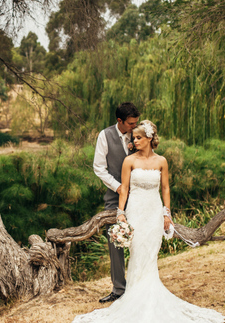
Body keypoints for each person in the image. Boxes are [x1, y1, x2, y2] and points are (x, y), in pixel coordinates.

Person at [74, 120, 225, 323]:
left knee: (150, 255)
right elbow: (124, 189)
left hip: (154, 211)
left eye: (138, 138)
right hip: (135, 210)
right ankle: (134, 298)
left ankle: (150, 297)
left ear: (149, 139)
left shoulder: (161, 161)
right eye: (133, 138)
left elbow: (165, 189)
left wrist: (166, 214)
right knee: (137, 253)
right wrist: (120, 213)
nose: (134, 141)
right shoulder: (129, 161)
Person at [92, 102, 140, 303]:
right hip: (114, 197)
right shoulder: (105, 136)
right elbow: (99, 168)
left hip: (139, 195)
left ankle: (140, 285)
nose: (134, 127)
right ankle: (119, 288)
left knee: (141, 240)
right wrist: (118, 187)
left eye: (136, 122)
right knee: (116, 241)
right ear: (120, 121)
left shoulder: (140, 133)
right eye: (131, 123)